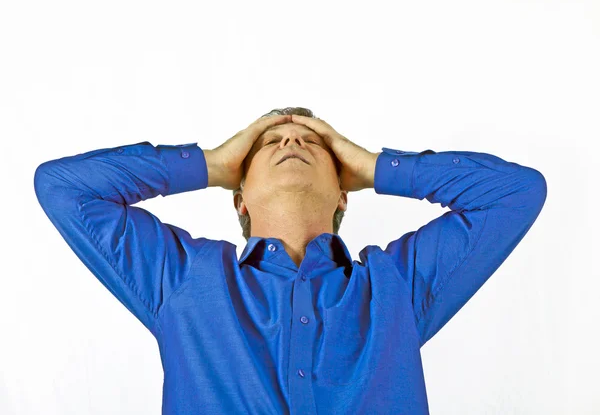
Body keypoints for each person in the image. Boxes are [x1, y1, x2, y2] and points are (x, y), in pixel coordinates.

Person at [33, 106, 547, 414]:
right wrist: (210, 163)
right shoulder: (183, 280)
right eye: (271, 143)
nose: (293, 140)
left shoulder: (399, 287)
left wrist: (374, 166)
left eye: (313, 143)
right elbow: (62, 189)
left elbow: (517, 193)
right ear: (240, 196)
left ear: (344, 192)